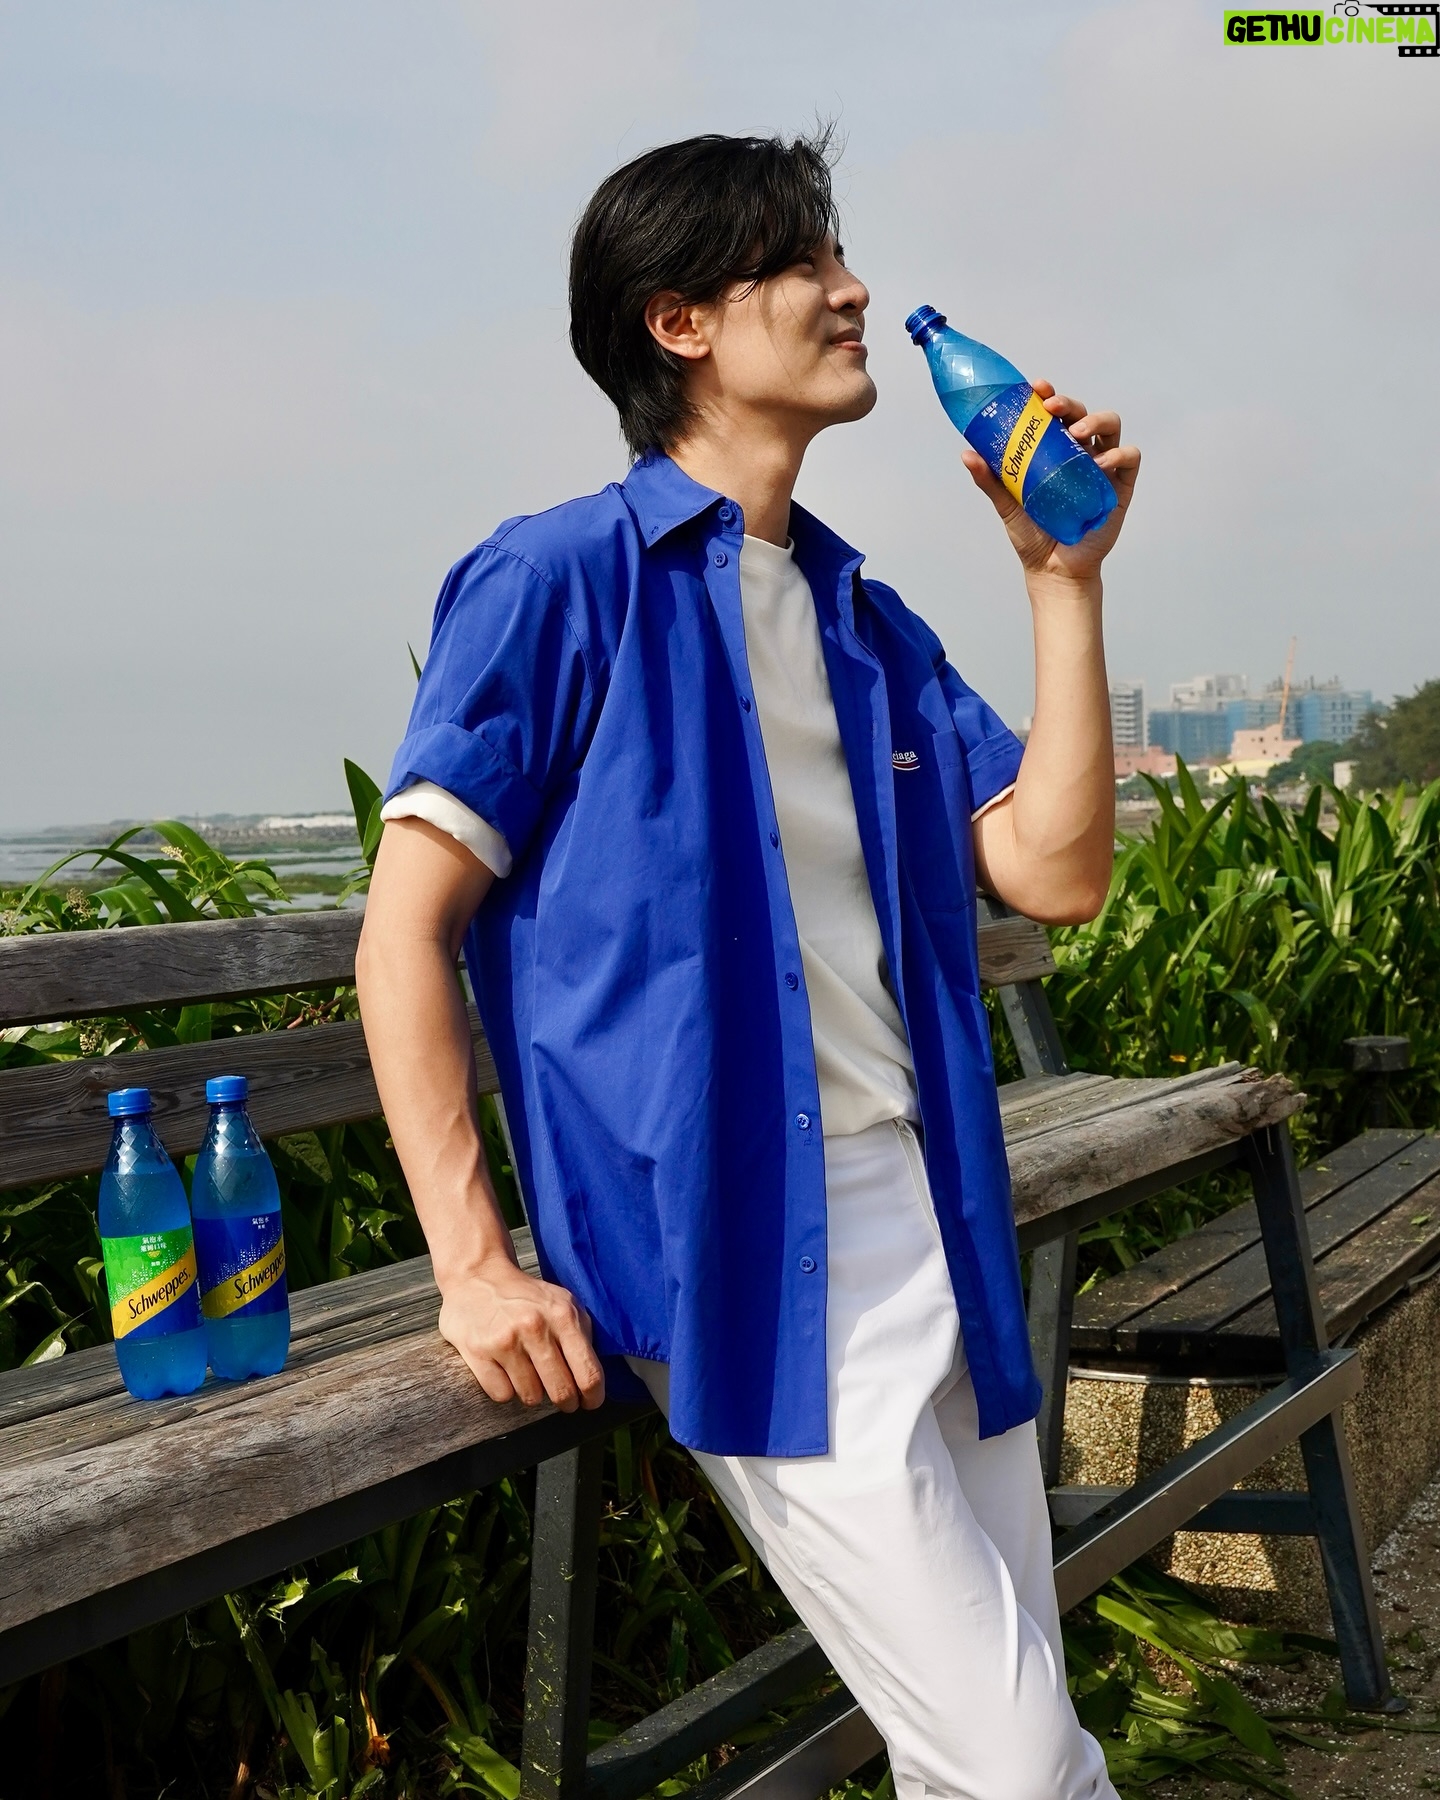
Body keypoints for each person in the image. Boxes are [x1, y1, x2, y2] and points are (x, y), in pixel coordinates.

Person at [356, 130, 1137, 1800]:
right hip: (750, 1255)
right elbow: (402, 931)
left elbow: (1056, 871)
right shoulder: (559, 582)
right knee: (1020, 1768)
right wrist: (472, 1265)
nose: (852, 291)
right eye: (803, 262)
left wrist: (1062, 584)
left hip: (940, 1209)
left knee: (986, 1741)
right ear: (681, 322)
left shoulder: (863, 616)